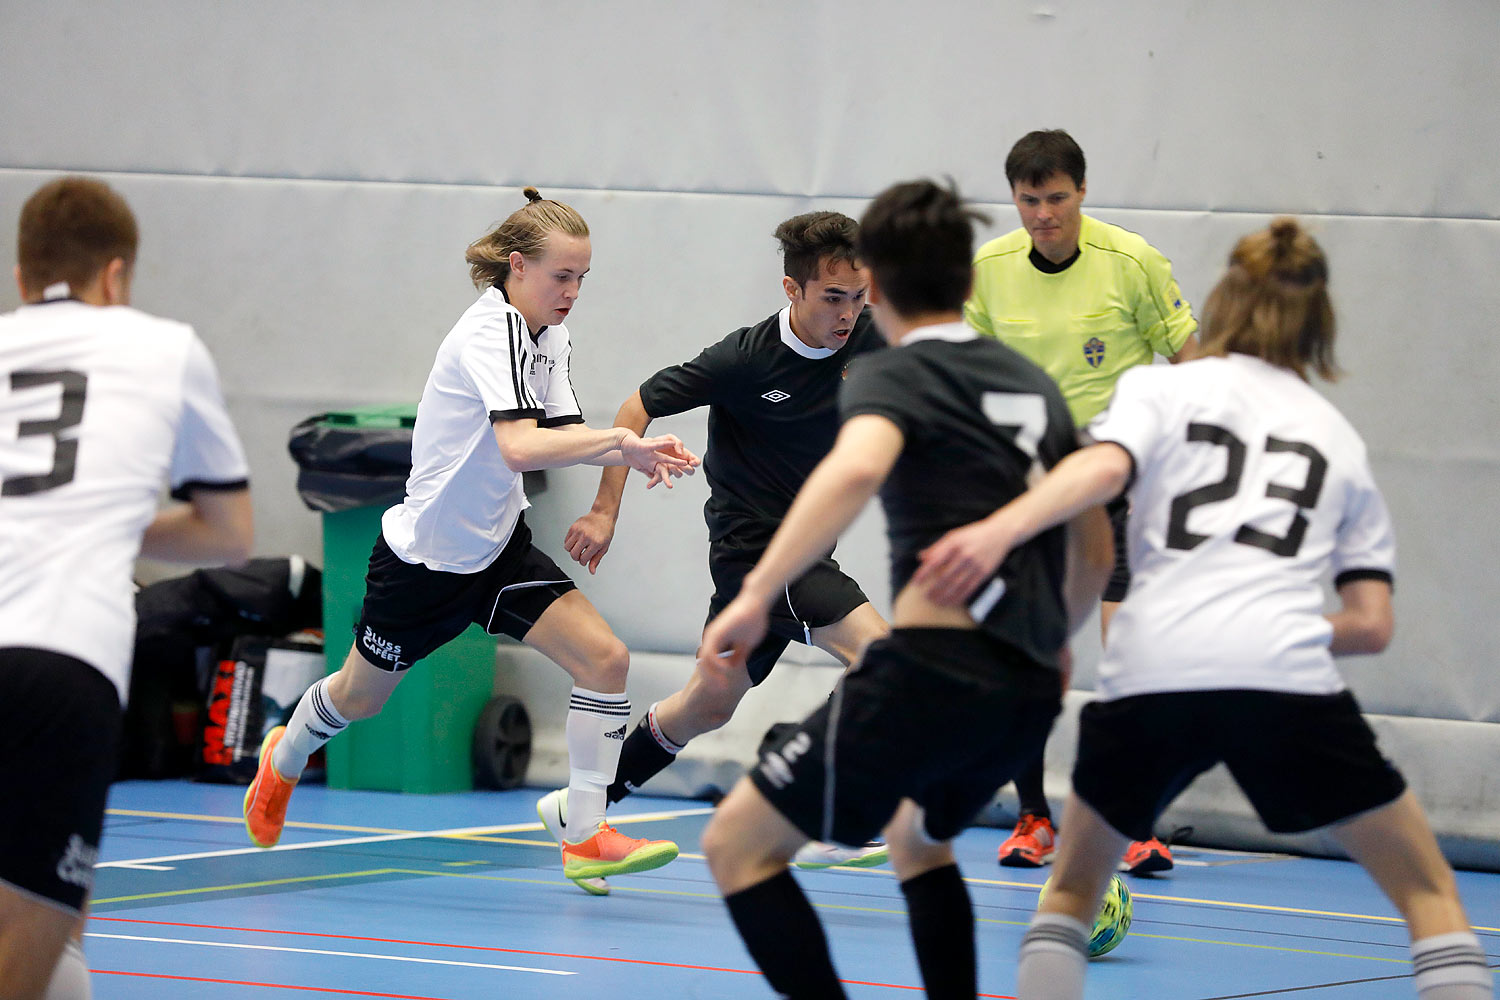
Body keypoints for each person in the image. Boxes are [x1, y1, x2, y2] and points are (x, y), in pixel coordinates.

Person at [919, 218, 1495, 1000]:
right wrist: (1271, 628)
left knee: (1067, 897)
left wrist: (997, 531)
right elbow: (1371, 625)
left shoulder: (1160, 388)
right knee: (1431, 897)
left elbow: (1097, 475)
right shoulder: (1337, 438)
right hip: (1282, 676)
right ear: (1320, 322)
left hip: (1154, 664)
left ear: (1222, 302)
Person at [698, 179, 1114, 1000]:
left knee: (735, 847)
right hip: (1028, 689)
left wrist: (754, 596)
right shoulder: (1032, 383)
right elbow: (1094, 546)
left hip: (930, 676)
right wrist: (1055, 639)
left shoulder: (895, 372)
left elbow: (853, 470)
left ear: (877, 286)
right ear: (969, 280)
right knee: (917, 838)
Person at [243, 188, 698, 889]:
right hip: (423, 563)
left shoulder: (552, 335)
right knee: (361, 699)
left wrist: (627, 457)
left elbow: (558, 436)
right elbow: (519, 445)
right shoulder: (489, 332)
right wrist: (621, 442)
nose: (573, 292)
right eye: (561, 276)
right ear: (517, 267)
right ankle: (285, 756)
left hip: (498, 549)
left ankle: (584, 834)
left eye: (583, 278)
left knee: (606, 659)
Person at [545, 211, 891, 895]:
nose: (849, 313)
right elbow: (634, 408)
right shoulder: (745, 358)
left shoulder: (876, 336)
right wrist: (606, 509)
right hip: (760, 556)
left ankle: (581, 810)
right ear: (791, 288)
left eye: (860, 296)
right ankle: (819, 810)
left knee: (707, 705)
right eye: (832, 297)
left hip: (801, 555)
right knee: (882, 659)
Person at [1, 176, 254, 1000]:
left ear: (21, 276)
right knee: (39, 935)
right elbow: (229, 533)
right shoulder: (164, 347)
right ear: (117, 276)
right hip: (62, 657)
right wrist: (104, 518)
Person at [965, 128, 1199, 875]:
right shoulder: (989, 272)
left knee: (1132, 661)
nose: (1043, 215)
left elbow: (1195, 365)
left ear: (1082, 192)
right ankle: (1034, 817)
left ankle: (1140, 825)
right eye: (1029, 200)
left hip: (1120, 496)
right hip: (1030, 500)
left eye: (1056, 198)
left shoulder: (1132, 263)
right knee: (1029, 666)